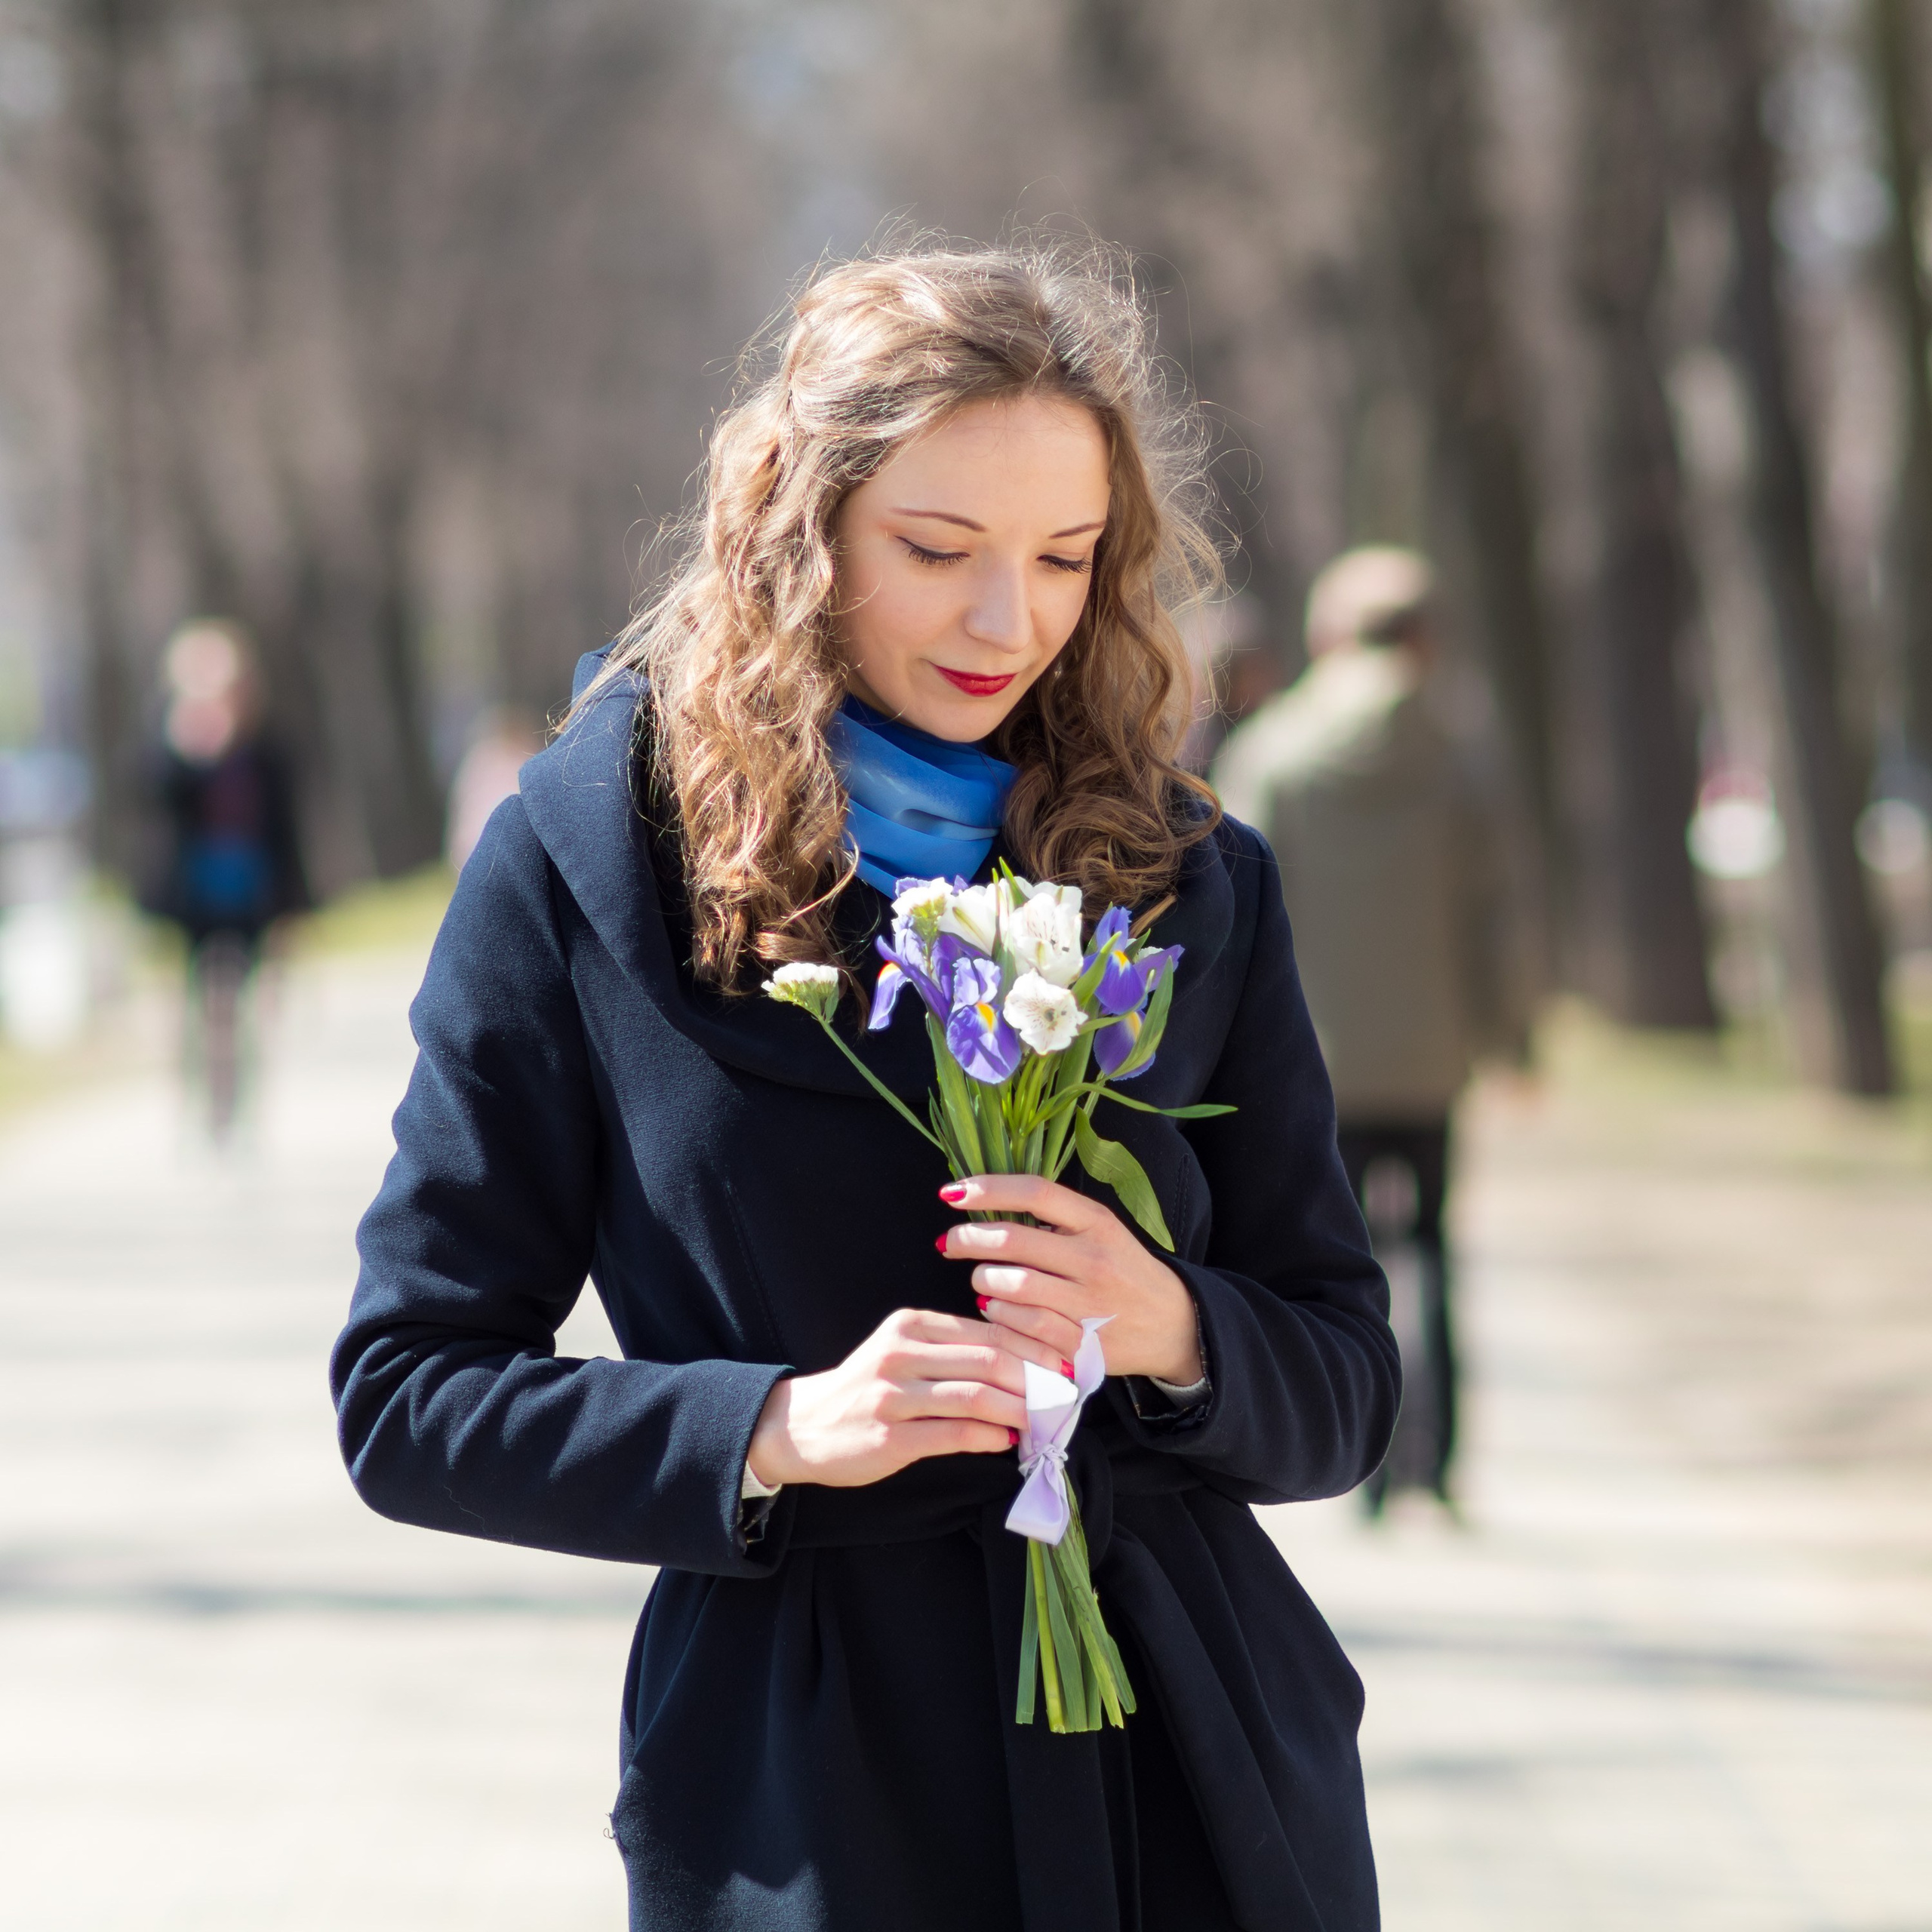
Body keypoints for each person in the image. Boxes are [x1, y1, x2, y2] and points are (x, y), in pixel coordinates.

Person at [332, 245, 1398, 1932]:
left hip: (1186, 1766)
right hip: (799, 1790)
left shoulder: (1194, 871)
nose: (1008, 620)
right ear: (796, 524)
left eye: (1064, 557)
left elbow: (1346, 1378)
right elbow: (405, 1393)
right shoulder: (582, 864)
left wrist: (1172, 1325)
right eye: (935, 549)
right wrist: (766, 1426)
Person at [1212, 546, 1529, 1514]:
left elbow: (1230, 913)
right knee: (1431, 1248)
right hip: (1432, 1059)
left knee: (1340, 1263)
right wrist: (1510, 1038)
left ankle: (1372, 1464)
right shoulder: (1462, 755)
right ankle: (1445, 1461)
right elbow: (1492, 913)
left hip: (1315, 1067)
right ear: (1427, 638)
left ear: (1329, 634)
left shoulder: (1275, 751)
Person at [139, 618, 309, 1140]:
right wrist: (188, 748)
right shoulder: (171, 746)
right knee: (197, 1000)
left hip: (251, 890)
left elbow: (285, 830)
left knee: (247, 1000)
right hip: (191, 894)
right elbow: (151, 805)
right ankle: (202, 1096)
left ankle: (239, 1099)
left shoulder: (267, 750)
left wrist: (295, 907)